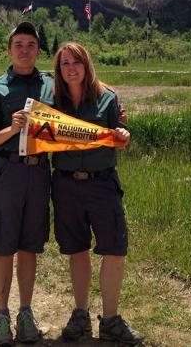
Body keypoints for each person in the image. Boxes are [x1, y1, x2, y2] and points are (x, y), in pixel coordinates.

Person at [51, 42, 143, 345]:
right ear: (59, 69)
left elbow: (120, 134)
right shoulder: (52, 101)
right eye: (65, 63)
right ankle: (81, 315)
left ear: (86, 65)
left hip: (102, 184)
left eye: (76, 62)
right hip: (66, 185)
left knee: (114, 249)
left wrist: (124, 135)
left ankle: (111, 321)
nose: (71, 69)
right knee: (76, 250)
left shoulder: (107, 98)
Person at [0, 21, 54, 345]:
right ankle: (1, 315)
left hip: (38, 173)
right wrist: (11, 129)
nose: (25, 50)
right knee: (3, 246)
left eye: (31, 45)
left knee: (29, 247)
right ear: (9, 50)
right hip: (6, 172)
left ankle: (25, 313)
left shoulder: (50, 86)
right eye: (18, 45)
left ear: (39, 50)